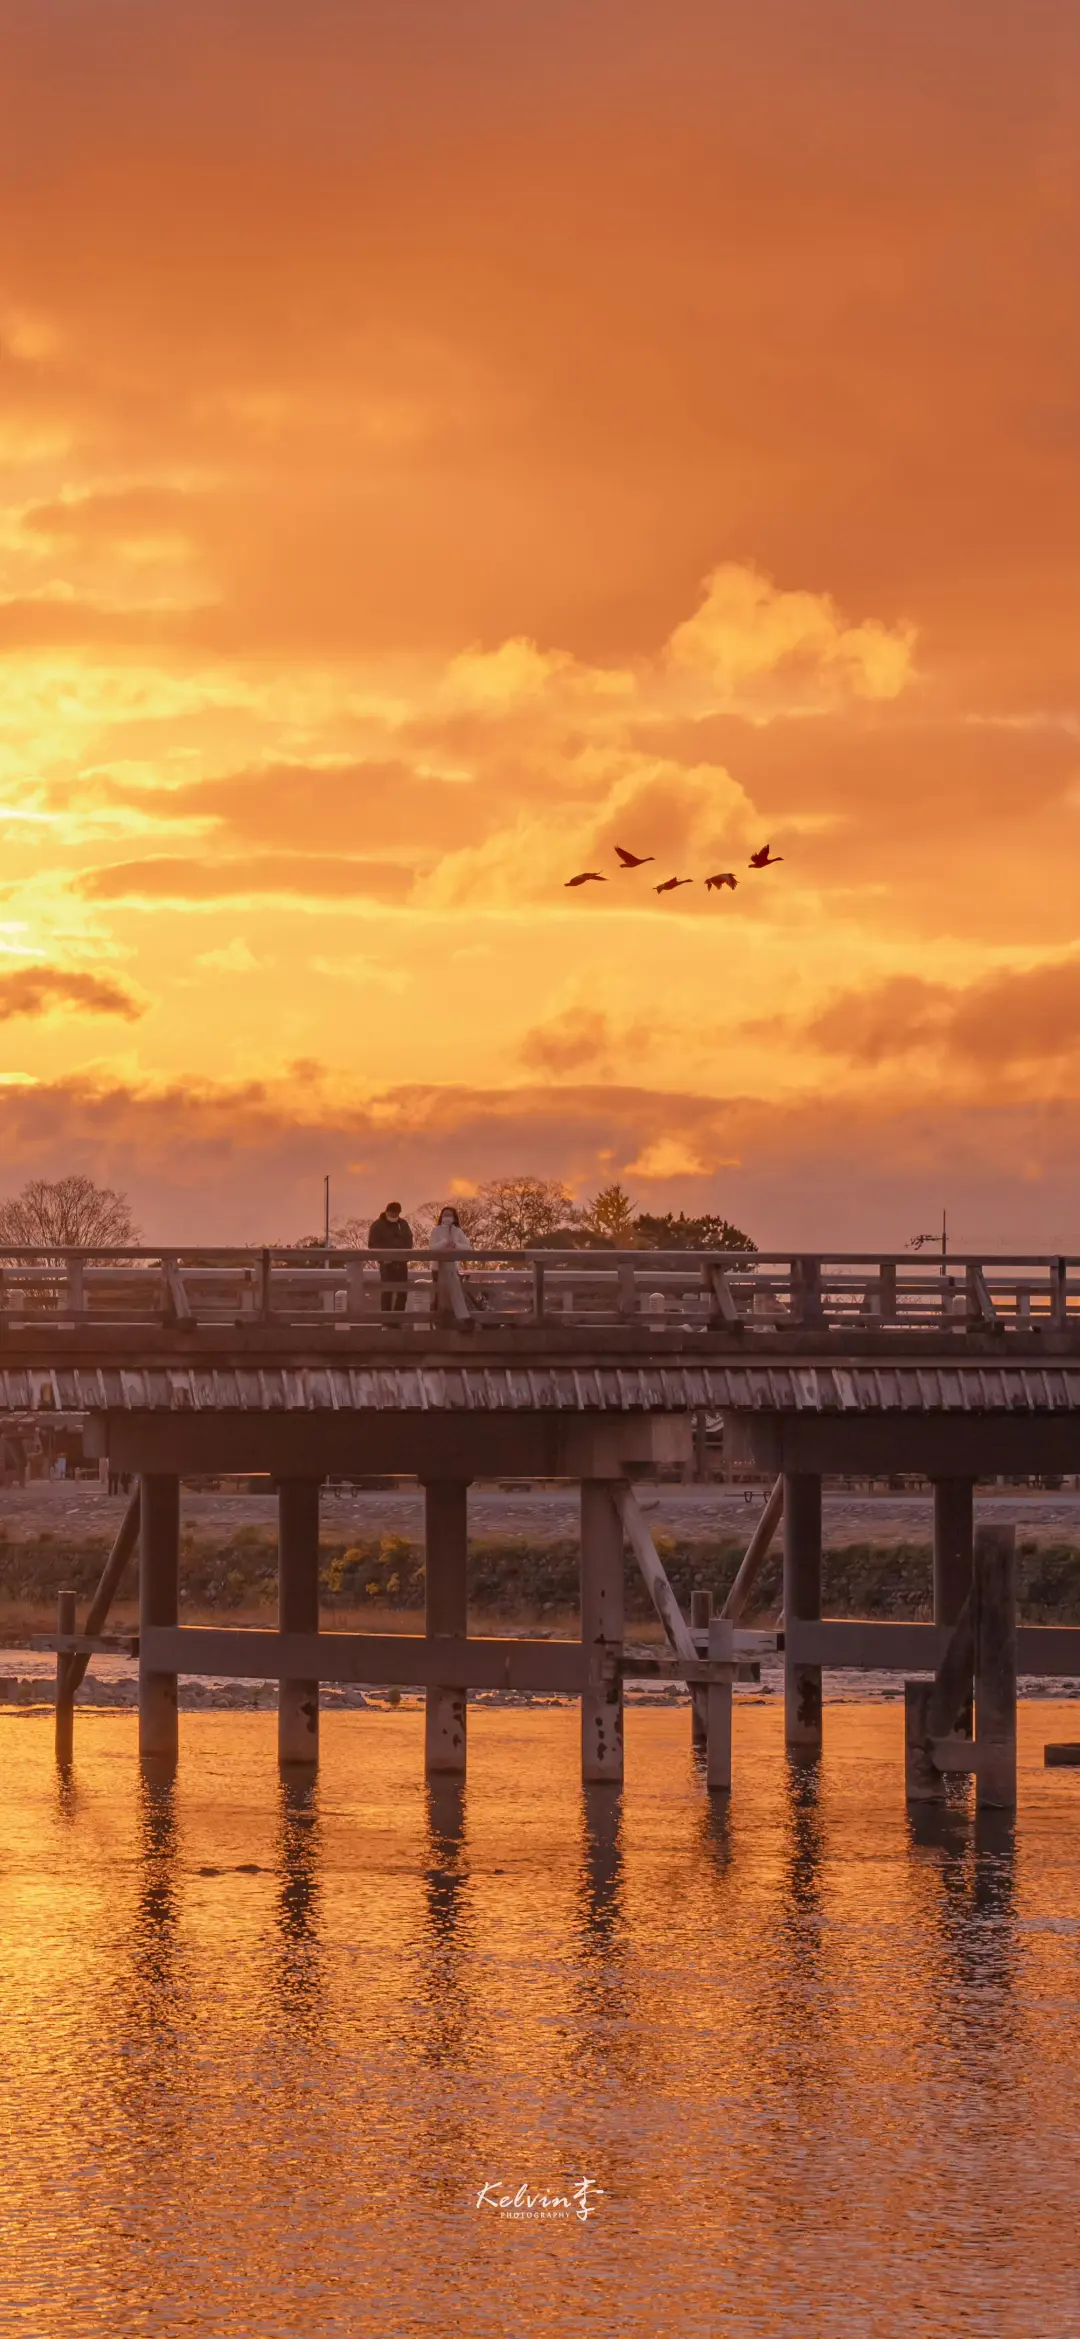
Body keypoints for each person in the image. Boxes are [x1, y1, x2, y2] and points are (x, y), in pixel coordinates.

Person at [367, 1199, 414, 1316]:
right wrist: (382, 1258)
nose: (394, 1216)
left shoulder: (403, 1224)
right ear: (387, 1212)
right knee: (386, 1292)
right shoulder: (378, 1225)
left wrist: (405, 1256)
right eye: (392, 1213)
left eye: (396, 1213)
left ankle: (398, 1318)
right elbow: (372, 1244)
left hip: (401, 1262)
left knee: (403, 1291)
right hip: (386, 1263)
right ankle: (386, 1319)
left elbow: (409, 1240)